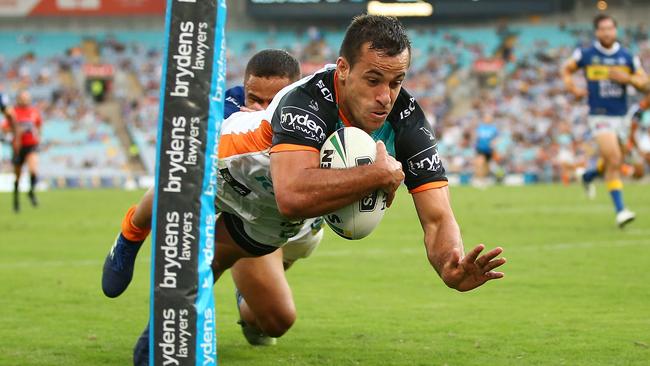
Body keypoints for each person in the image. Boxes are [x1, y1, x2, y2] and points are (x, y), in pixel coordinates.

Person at [132, 15, 506, 364]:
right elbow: (293, 194)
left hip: (282, 209)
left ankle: (243, 300)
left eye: (396, 82)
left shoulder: (407, 119)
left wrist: (449, 264)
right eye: (373, 80)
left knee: (274, 319)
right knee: (177, 199)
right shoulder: (308, 99)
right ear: (343, 70)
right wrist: (377, 176)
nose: (385, 97)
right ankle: (132, 247)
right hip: (230, 163)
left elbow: (438, 218)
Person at [101, 50, 318, 354]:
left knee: (276, 321)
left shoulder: (314, 118)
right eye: (255, 99)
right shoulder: (229, 107)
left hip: (266, 219)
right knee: (185, 172)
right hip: (227, 191)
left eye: (273, 102)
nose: (261, 110)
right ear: (244, 88)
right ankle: (130, 237)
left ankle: (246, 297)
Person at [561, 14, 648, 228]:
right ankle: (621, 211)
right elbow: (567, 69)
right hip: (599, 115)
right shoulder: (586, 54)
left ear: (615, 31)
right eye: (603, 29)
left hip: (622, 117)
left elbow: (645, 84)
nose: (607, 32)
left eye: (610, 28)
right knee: (615, 158)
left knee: (614, 160)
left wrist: (627, 79)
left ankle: (589, 176)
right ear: (596, 32)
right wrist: (572, 87)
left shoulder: (627, 57)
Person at [10, 90, 42, 212]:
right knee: (17, 176)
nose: (25, 100)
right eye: (23, 98)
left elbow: (39, 125)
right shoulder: (13, 112)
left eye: (27, 98)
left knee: (33, 170)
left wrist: (38, 136)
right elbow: (6, 127)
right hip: (18, 147)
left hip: (31, 145)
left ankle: (31, 192)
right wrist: (16, 132)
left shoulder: (34, 112)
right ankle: (16, 201)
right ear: (18, 99)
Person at [473, 113, 498, 188]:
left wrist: (494, 143)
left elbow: (496, 138)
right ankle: (479, 180)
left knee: (486, 165)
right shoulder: (480, 127)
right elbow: (476, 137)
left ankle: (484, 179)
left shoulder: (493, 128)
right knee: (480, 163)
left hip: (489, 149)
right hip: (480, 148)